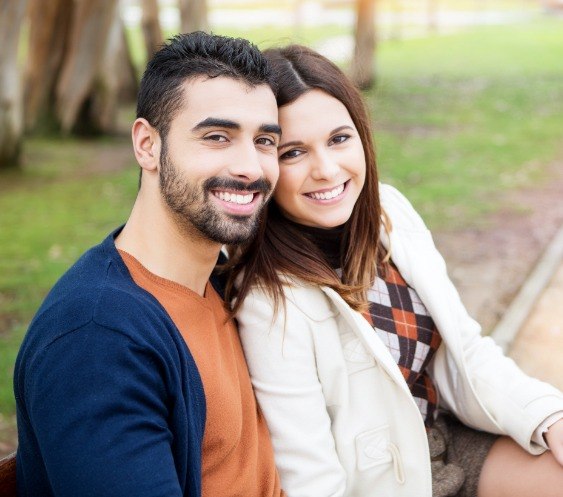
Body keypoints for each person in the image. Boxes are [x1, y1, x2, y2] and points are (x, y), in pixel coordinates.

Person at [228, 44, 563, 497]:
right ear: (264, 163)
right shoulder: (268, 300)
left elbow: (466, 352)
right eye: (293, 153)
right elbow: (309, 474)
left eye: (339, 139)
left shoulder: (390, 212)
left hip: (448, 444)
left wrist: (549, 418)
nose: (327, 170)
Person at [14, 32, 285, 497]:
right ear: (147, 145)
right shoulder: (97, 339)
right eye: (217, 137)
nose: (251, 167)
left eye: (264, 141)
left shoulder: (221, 281)